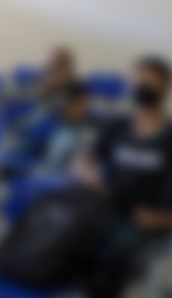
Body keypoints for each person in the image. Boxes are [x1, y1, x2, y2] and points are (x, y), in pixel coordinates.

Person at [75, 56, 172, 297]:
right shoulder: (118, 126)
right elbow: (83, 161)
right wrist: (92, 180)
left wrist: (162, 219)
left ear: (165, 87)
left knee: (113, 251)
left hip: (144, 217)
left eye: (149, 83)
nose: (142, 89)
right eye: (138, 83)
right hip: (106, 202)